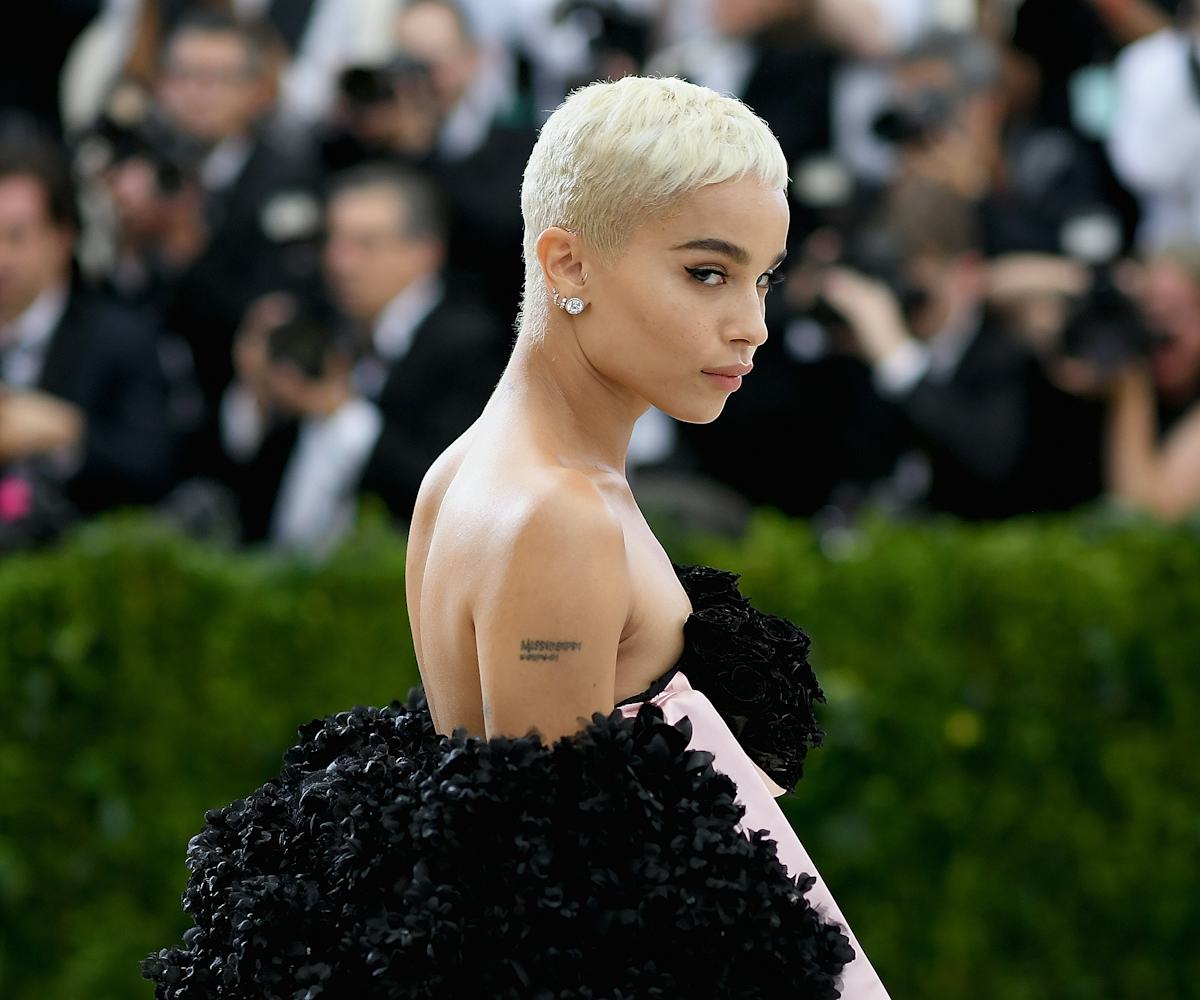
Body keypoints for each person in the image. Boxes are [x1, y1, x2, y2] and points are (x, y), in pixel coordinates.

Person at [144, 77, 891, 998]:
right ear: (567, 264)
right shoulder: (554, 513)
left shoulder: (476, 469)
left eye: (761, 278)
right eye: (708, 272)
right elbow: (552, 925)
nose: (752, 324)